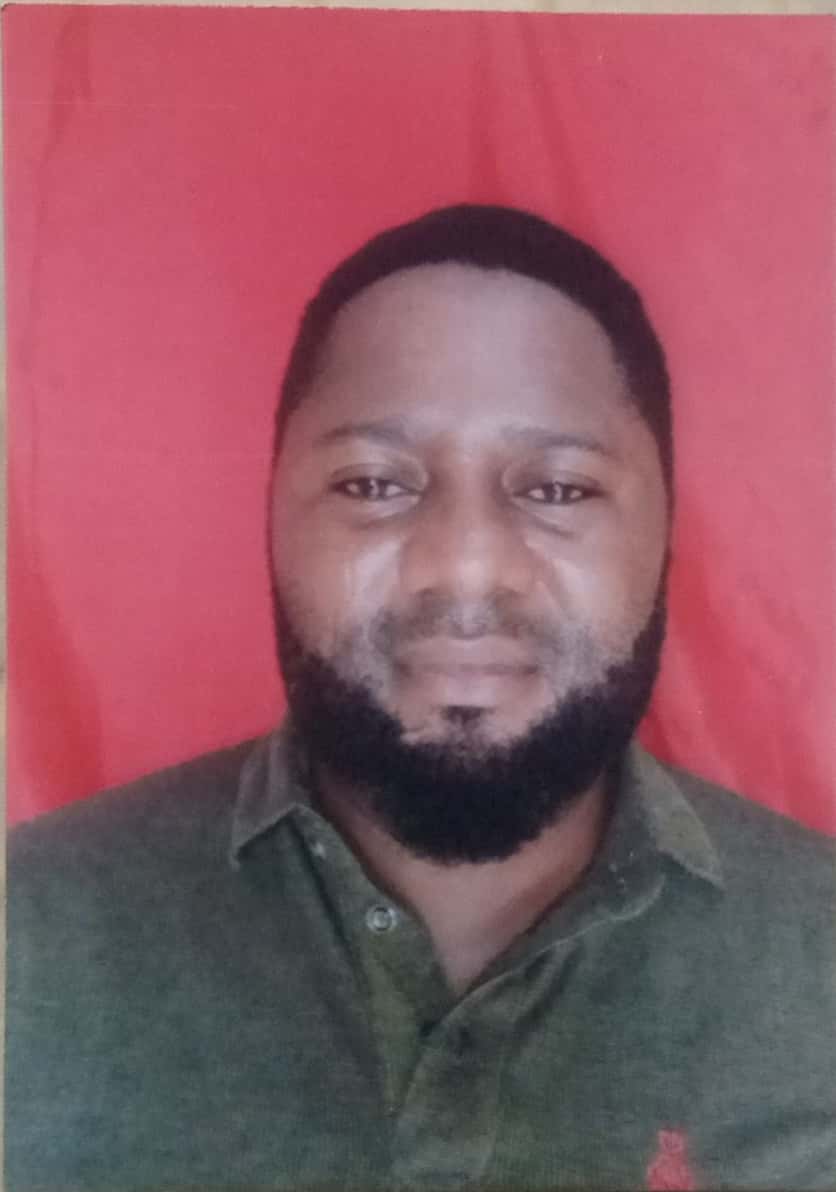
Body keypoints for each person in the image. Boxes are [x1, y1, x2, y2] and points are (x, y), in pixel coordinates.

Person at [6, 205, 834, 1192]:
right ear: (271, 517)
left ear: (666, 532)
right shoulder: (28, 931)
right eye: (372, 483)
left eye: (558, 489)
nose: (465, 567)